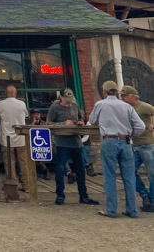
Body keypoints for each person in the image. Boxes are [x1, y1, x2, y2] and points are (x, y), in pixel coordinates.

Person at [89, 81, 146, 218]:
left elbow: (92, 120)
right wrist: (130, 135)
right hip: (125, 141)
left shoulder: (100, 104)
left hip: (109, 139)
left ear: (104, 91)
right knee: (129, 177)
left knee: (109, 176)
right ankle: (132, 210)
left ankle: (111, 209)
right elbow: (141, 126)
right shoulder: (127, 106)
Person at [46, 88, 98, 206]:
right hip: (62, 141)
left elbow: (80, 118)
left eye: (71, 99)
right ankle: (60, 195)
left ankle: (83, 195)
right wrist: (62, 124)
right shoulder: (55, 107)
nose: (69, 102)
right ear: (61, 97)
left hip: (76, 140)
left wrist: (81, 123)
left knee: (80, 168)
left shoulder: (75, 106)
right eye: (67, 100)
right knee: (60, 168)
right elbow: (48, 123)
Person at [119, 85, 154, 213]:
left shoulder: (144, 107)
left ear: (132, 96)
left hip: (148, 143)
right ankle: (144, 194)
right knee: (129, 171)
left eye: (124, 95)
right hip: (135, 144)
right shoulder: (126, 108)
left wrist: (152, 125)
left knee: (152, 174)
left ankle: (151, 201)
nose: (121, 98)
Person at [0, 85, 29, 190]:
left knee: (9, 162)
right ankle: (27, 185)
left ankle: (13, 184)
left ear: (6, 93)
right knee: (24, 161)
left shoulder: (0, 104)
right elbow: (26, 116)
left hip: (6, 137)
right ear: (15, 93)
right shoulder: (22, 104)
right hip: (21, 136)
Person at [29, 109, 51, 180]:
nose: (36, 115)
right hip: (32, 144)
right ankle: (45, 171)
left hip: (45, 144)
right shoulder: (28, 122)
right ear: (31, 115)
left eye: (37, 114)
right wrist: (33, 122)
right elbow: (28, 132)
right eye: (34, 114)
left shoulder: (44, 123)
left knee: (58, 152)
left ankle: (68, 172)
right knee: (37, 153)